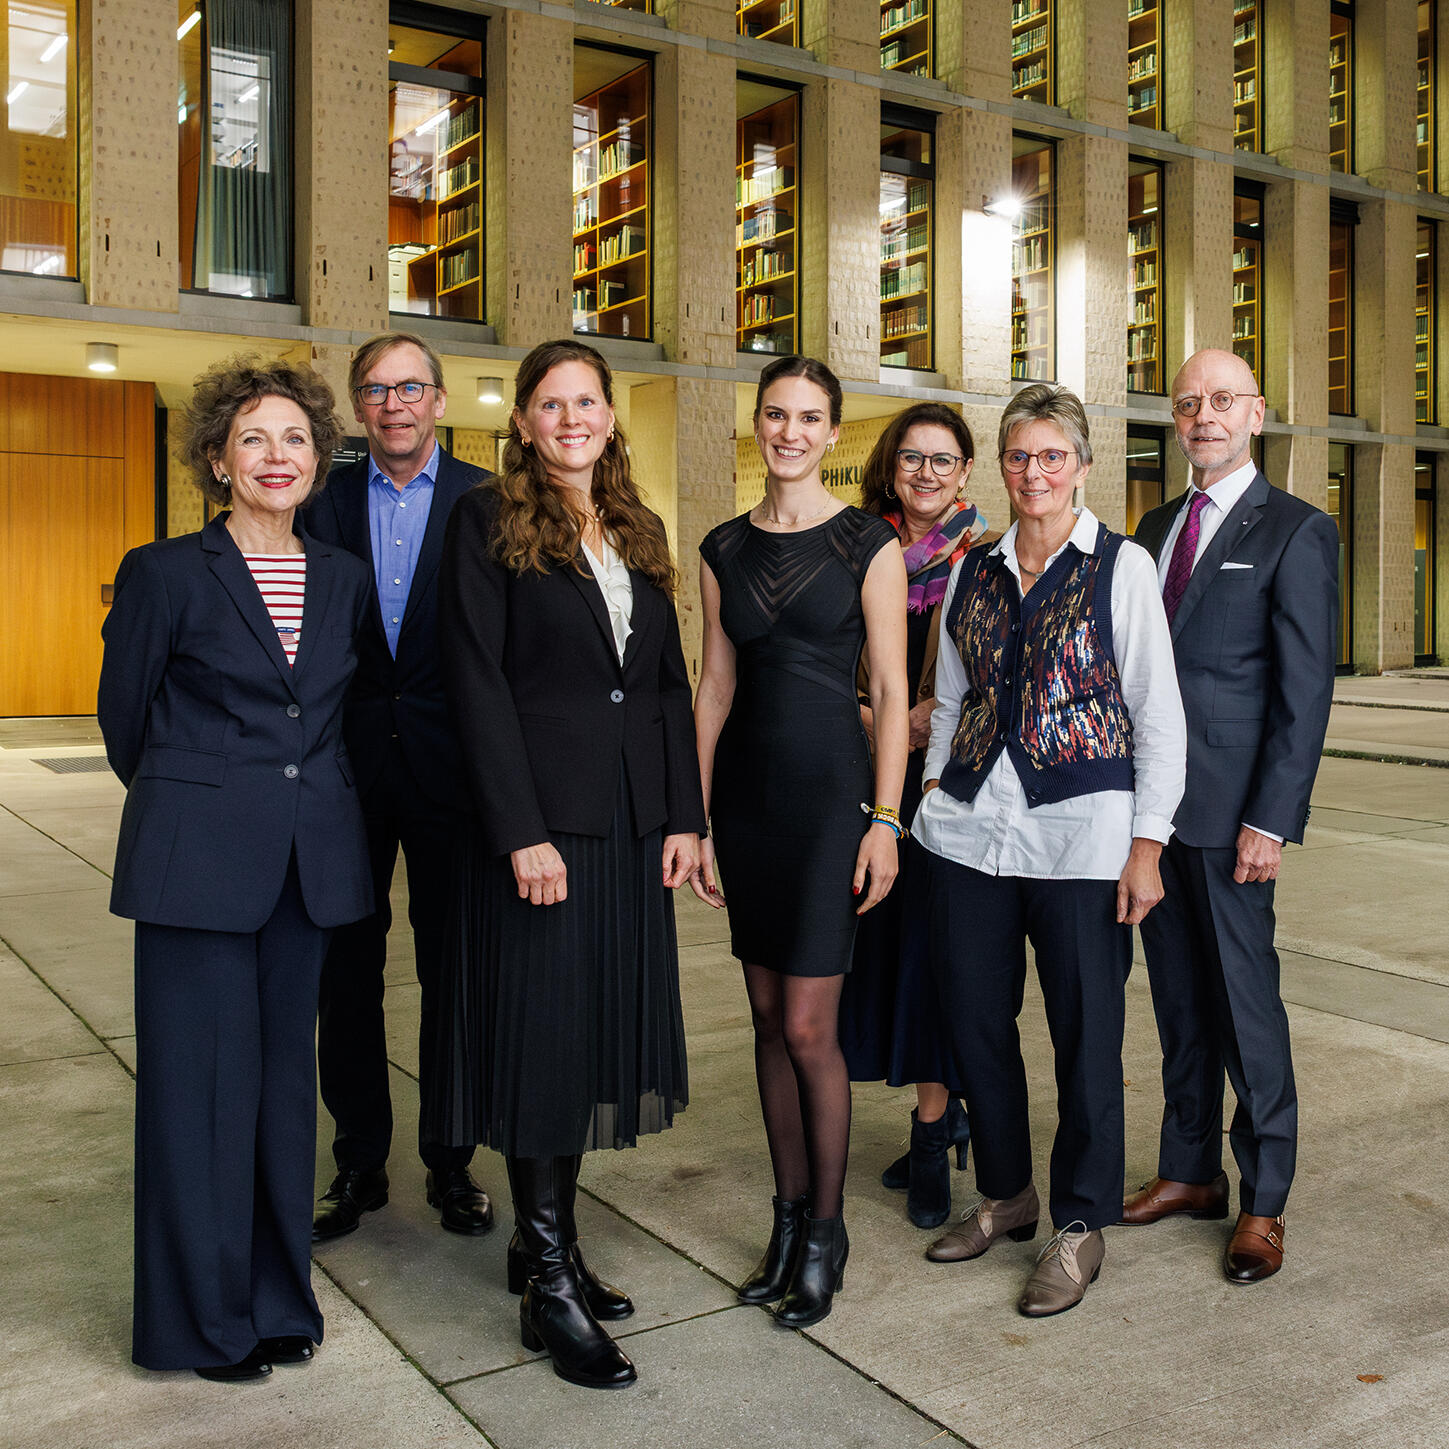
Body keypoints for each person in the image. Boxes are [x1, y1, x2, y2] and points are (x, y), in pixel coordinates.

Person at [432, 339, 704, 1390]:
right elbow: (477, 683)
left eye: (586, 400)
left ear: (608, 415)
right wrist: (520, 829)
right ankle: (547, 1285)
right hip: (545, 831)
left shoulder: (635, 526)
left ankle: (551, 1244)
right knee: (546, 1045)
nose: (571, 418)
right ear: (525, 422)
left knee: (586, 1040)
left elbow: (667, 683)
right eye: (551, 404)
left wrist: (683, 815)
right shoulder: (486, 521)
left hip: (632, 826)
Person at [98, 358, 372, 1381]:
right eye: (253, 439)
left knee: (275, 1094)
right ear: (217, 459)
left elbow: (329, 721)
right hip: (198, 862)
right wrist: (202, 801)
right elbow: (126, 722)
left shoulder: (340, 578)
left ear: (318, 459)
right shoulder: (165, 571)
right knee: (195, 1095)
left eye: (294, 438)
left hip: (307, 866)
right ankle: (195, 1324)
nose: (276, 456)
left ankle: (272, 1298)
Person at [915, 382, 1185, 1317]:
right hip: (969, 835)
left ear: (1080, 464)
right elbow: (949, 695)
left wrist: (1147, 844)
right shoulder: (971, 567)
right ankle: (1006, 1194)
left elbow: (1157, 717)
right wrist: (927, 796)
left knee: (1085, 1038)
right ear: (1002, 466)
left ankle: (1078, 1222)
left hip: (1081, 840)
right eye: (1019, 457)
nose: (1034, 473)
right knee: (976, 1026)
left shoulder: (1121, 567)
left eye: (1051, 456)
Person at [693, 354, 909, 1329]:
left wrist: (887, 821)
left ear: (831, 432)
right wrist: (693, 819)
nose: (789, 431)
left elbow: (896, 696)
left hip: (832, 805)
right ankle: (785, 1220)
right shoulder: (721, 547)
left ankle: (827, 1230)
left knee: (813, 1029)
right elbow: (715, 688)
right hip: (748, 806)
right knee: (769, 1023)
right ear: (760, 423)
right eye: (775, 414)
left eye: (808, 417)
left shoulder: (871, 543)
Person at [1123, 348, 1338, 1284]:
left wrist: (1271, 817)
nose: (1202, 414)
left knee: (1246, 1010)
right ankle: (1187, 1170)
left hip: (1232, 816)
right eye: (1187, 402)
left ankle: (1264, 1199)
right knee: (1176, 1003)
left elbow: (1304, 691)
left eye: (1220, 400)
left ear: (1255, 412)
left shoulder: (1295, 530)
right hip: (1152, 815)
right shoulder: (1155, 525)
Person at [307, 332, 494, 1243]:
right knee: (346, 970)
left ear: (440, 399)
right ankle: (358, 1160)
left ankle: (451, 1160)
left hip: (454, 773)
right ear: (357, 406)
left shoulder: (489, 502)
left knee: (452, 969)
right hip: (343, 770)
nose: (394, 404)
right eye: (375, 389)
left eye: (410, 386)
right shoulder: (321, 500)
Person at [837, 403, 990, 1230]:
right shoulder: (854, 546)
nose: (925, 473)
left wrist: (940, 721)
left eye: (942, 460)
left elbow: (1008, 682)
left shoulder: (990, 558)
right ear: (889, 468)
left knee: (937, 966)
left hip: (946, 792)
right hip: (859, 778)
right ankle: (945, 1112)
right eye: (910, 459)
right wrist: (873, 717)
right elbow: (819, 653)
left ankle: (932, 1131)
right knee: (882, 960)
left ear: (965, 471)